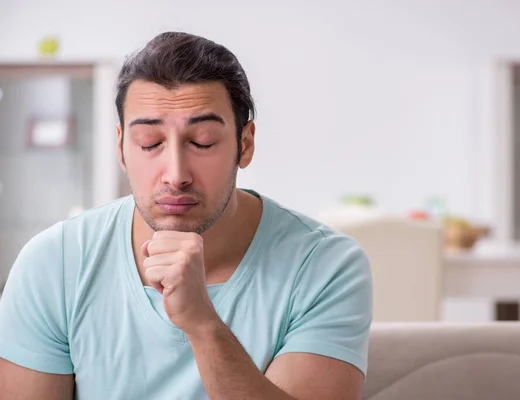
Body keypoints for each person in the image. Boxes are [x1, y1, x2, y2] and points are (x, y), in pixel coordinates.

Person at [0, 32, 372, 400]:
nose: (176, 173)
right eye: (150, 143)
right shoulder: (54, 262)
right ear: (121, 148)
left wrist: (202, 323)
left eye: (203, 142)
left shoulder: (326, 265)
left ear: (245, 145)